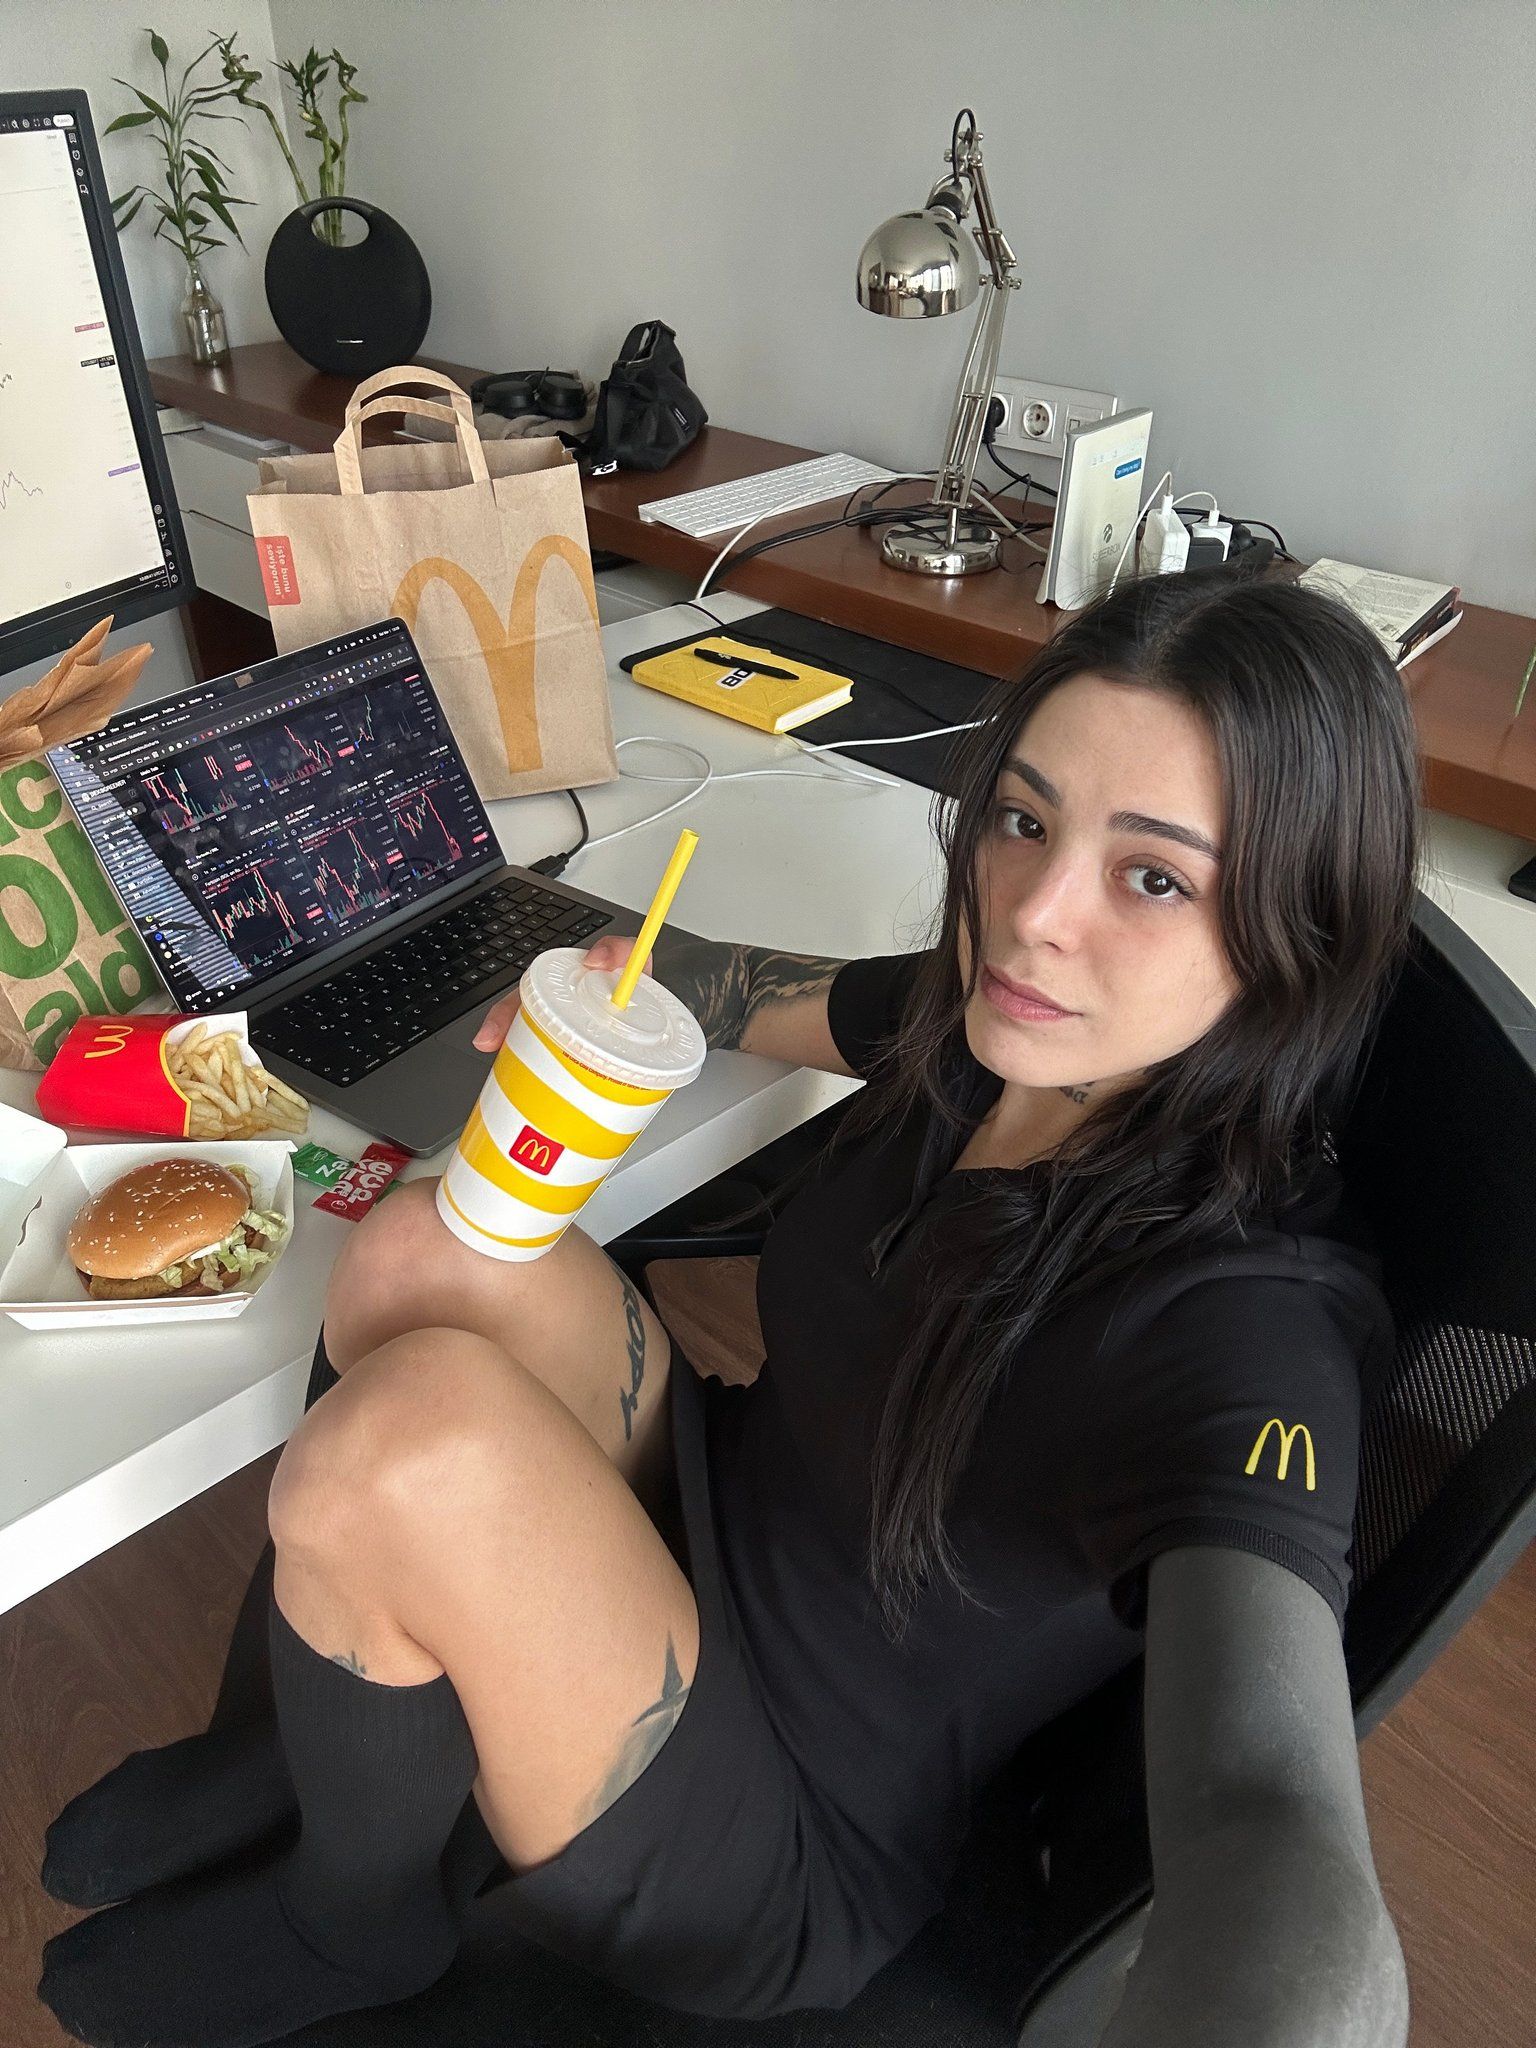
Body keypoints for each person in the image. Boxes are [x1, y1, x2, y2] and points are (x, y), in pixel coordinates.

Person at [38, 569, 1416, 2047]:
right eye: (1024, 820)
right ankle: (296, 1758)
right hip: (724, 1519)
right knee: (427, 1247)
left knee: (406, 1440)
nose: (1033, 917)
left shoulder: (1248, 1326)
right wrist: (612, 973)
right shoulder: (1000, 1026)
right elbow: (773, 991)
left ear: (1296, 928)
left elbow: (1273, 1814)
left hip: (787, 1835)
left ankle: (353, 1915)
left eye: (1153, 880)